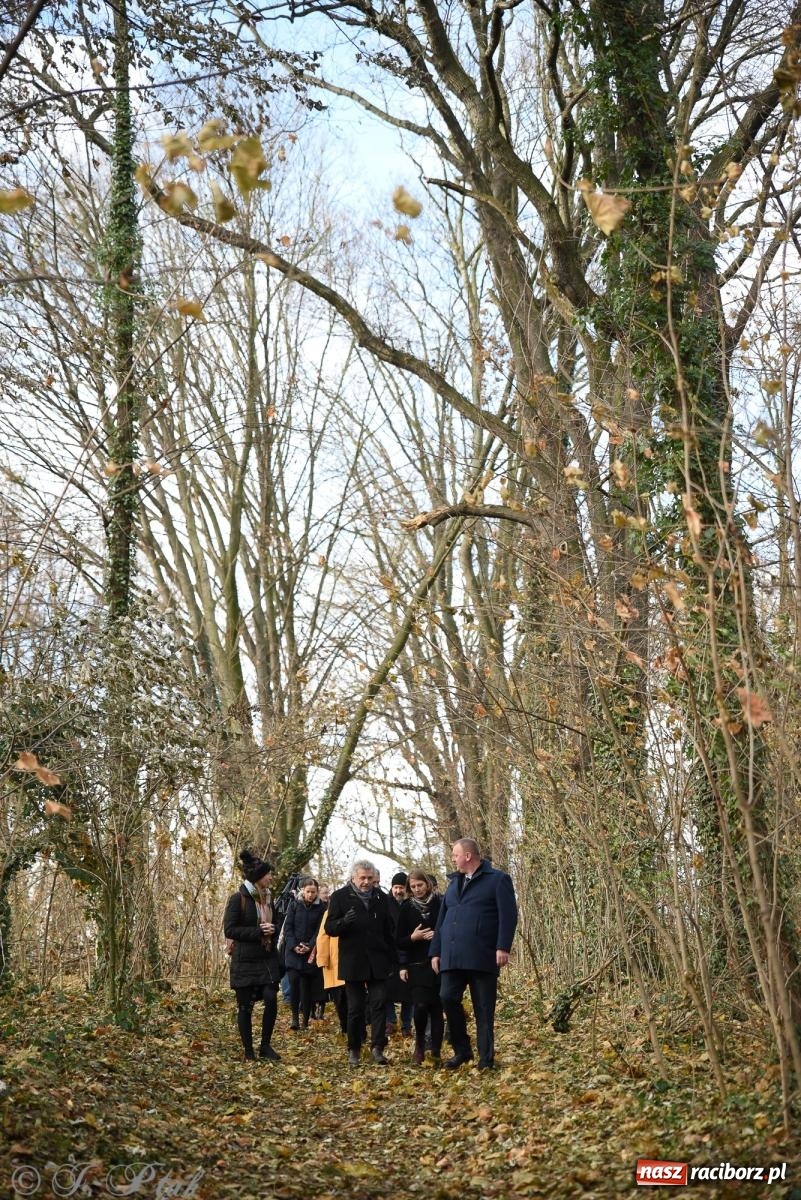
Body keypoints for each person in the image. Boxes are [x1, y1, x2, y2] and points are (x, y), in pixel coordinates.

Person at [430, 837, 517, 1071]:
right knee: (447, 998)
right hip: (452, 956)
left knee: (484, 1009)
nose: (452, 859)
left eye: (455, 855)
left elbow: (508, 916)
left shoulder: (498, 880)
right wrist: (436, 951)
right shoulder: (452, 884)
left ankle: (486, 1059)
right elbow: (442, 921)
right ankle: (462, 1050)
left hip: (483, 955)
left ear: (467, 856)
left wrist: (503, 947)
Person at [325, 859, 397, 1066]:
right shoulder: (340, 897)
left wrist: (394, 961)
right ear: (353, 878)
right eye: (362, 878)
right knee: (355, 1007)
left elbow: (389, 931)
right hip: (353, 960)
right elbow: (329, 928)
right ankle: (354, 1049)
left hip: (378, 960)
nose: (366, 882)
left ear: (374, 878)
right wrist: (343, 922)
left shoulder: (382, 898)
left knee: (378, 1004)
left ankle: (377, 1047)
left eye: (369, 878)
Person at [223, 849, 282, 1062]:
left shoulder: (268, 899)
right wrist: (258, 931)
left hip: (266, 958)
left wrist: (272, 930)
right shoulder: (238, 899)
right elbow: (230, 930)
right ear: (258, 877)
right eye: (268, 874)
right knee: (245, 1006)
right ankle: (249, 1051)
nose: (270, 877)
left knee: (271, 999)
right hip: (244, 960)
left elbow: (275, 924)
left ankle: (265, 1046)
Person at [397, 868, 444, 1065]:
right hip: (416, 964)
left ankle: (435, 1049)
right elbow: (398, 940)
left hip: (440, 962)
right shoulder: (406, 908)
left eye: (420, 885)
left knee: (437, 1007)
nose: (417, 889)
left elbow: (449, 928)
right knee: (421, 1005)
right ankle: (419, 1046)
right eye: (413, 886)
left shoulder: (441, 903)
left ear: (428, 884)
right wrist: (413, 938)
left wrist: (438, 937)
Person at [282, 876, 325, 1030]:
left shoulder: (322, 908)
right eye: (308, 891)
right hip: (293, 953)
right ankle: (294, 1019)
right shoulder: (294, 905)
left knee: (306, 988)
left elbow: (320, 930)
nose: (311, 895)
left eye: (314, 892)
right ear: (302, 891)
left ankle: (305, 1021)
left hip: (310, 953)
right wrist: (294, 946)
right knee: (294, 984)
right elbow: (288, 928)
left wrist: (310, 945)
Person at [386, 871, 413, 1037]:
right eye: (396, 887)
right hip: (389, 954)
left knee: (407, 994)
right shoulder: (385, 903)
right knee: (387, 991)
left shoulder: (411, 904)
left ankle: (407, 1025)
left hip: (408, 952)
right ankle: (390, 1021)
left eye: (401, 887)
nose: (398, 891)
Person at [315, 903, 348, 1035]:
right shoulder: (331, 912)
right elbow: (322, 937)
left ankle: (355, 1028)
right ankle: (345, 1026)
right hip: (334, 964)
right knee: (340, 999)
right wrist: (322, 959)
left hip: (352, 962)